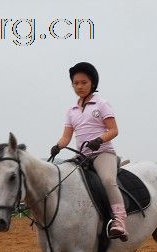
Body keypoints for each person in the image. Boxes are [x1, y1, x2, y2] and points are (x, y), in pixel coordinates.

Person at [49, 62, 127, 241]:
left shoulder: (102, 104)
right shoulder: (71, 110)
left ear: (92, 82)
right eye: (75, 83)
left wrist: (99, 140)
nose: (79, 86)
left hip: (102, 153)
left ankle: (120, 220)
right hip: (82, 156)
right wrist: (57, 146)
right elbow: (66, 137)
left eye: (83, 82)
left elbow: (114, 130)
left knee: (108, 180)